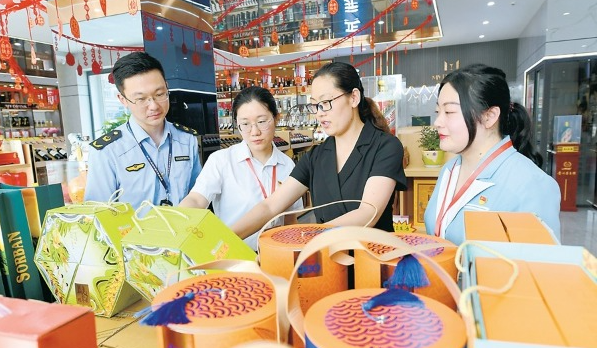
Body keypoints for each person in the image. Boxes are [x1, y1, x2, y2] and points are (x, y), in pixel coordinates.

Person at [231, 61, 407, 241]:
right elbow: (270, 206)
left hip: (371, 254)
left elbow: (368, 213)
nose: (319, 113)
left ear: (354, 97)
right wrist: (227, 237)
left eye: (326, 102)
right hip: (326, 255)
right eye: (315, 105)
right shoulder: (316, 156)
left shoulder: (385, 147)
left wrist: (311, 237)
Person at [424, 63, 561, 245]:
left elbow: (540, 260)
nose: (437, 122)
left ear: (489, 116)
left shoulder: (533, 186)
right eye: (438, 111)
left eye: (449, 112)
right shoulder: (449, 170)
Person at [179, 86, 303, 250]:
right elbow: (197, 199)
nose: (254, 132)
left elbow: (290, 220)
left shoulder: (288, 165)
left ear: (276, 118)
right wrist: (179, 220)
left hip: (275, 254)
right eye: (245, 124)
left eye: (262, 122)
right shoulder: (221, 160)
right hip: (233, 252)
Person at [84, 52, 201, 210]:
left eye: (159, 94)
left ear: (167, 87)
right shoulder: (107, 151)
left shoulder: (187, 140)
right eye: (141, 99)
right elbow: (99, 213)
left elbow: (198, 196)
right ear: (123, 100)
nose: (153, 106)